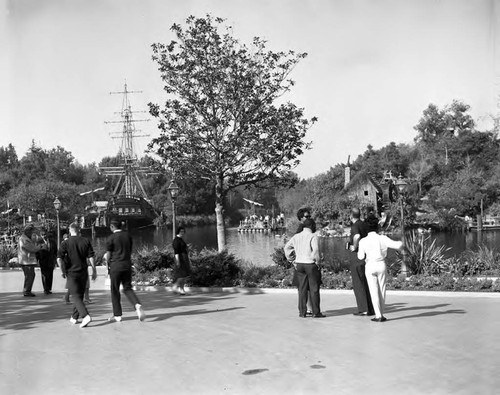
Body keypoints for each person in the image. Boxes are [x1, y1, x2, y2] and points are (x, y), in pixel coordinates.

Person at [357, 213, 403, 322]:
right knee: (382, 289)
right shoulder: (382, 238)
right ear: (377, 226)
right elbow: (398, 245)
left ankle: (378, 315)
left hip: (370, 265)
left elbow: (360, 257)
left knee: (373, 291)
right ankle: (381, 314)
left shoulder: (363, 241)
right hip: (381, 264)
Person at [104, 219, 145, 322]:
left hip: (115, 266)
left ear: (112, 227)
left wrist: (107, 263)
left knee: (115, 290)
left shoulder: (111, 238)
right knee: (127, 288)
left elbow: (108, 254)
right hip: (126, 265)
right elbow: (130, 250)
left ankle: (117, 315)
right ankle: (136, 304)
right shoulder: (128, 236)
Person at [57, 222, 97, 328]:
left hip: (72, 272)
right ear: (79, 230)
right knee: (79, 295)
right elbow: (91, 257)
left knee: (75, 296)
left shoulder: (65, 243)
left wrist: (62, 271)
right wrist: (94, 270)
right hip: (83, 272)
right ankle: (74, 317)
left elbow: (59, 259)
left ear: (70, 230)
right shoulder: (85, 241)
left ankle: (85, 315)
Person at [284, 218, 325, 318]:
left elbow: (286, 247)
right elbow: (315, 251)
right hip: (310, 264)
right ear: (311, 226)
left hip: (299, 264)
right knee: (314, 289)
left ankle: (302, 312)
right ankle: (316, 312)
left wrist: (291, 259)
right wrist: (318, 263)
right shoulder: (313, 236)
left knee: (302, 289)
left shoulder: (296, 236)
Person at [348, 208, 375, 316]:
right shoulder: (364, 225)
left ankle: (363, 309)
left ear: (351, 216)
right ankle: (370, 308)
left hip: (357, 258)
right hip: (366, 257)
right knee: (366, 283)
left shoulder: (355, 226)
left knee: (358, 283)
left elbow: (357, 236)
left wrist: (354, 246)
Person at [18, 224, 41, 297]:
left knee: (30, 275)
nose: (32, 233)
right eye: (31, 232)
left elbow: (34, 242)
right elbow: (32, 249)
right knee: (29, 275)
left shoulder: (27, 238)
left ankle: (27, 290)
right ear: (28, 231)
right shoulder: (24, 239)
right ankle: (27, 291)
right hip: (27, 261)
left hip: (27, 260)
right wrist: (39, 247)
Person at [37, 229, 58, 295]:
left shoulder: (52, 241)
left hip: (51, 260)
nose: (44, 236)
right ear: (40, 235)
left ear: (47, 234)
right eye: (42, 235)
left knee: (50, 275)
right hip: (43, 260)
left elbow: (55, 251)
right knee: (44, 275)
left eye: (45, 234)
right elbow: (37, 252)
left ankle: (49, 288)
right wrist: (37, 259)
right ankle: (45, 289)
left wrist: (55, 260)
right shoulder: (39, 242)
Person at [172, 226, 191, 295]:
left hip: (184, 257)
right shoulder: (176, 240)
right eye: (181, 231)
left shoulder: (180, 239)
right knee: (182, 275)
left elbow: (183, 248)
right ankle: (175, 287)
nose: (182, 233)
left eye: (183, 231)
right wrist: (178, 261)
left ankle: (182, 290)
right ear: (178, 232)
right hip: (180, 258)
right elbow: (176, 252)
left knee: (184, 275)